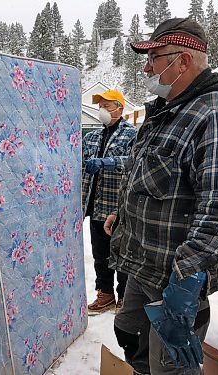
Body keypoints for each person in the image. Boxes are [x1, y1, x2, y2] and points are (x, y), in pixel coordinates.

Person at [104, 18, 218, 374]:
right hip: (144, 266)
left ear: (182, 61)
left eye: (154, 57)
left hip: (175, 278)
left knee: (170, 366)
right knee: (129, 336)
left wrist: (186, 280)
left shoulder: (217, 116)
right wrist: (122, 213)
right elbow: (148, 174)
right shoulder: (166, 112)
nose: (147, 67)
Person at [82, 89, 137, 315]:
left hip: (117, 206)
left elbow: (135, 161)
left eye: (107, 106)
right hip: (95, 206)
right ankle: (105, 294)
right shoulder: (91, 137)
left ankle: (124, 296)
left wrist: (108, 162)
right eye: (100, 106)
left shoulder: (132, 134)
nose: (103, 110)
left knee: (122, 254)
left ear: (120, 109)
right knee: (100, 255)